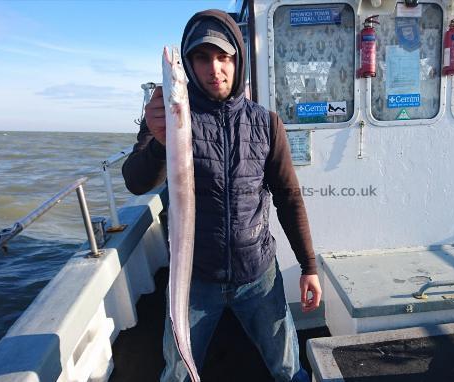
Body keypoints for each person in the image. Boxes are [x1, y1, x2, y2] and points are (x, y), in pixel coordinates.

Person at [121, 9, 321, 382]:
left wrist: (308, 266)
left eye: (223, 56)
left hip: (258, 274)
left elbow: (289, 198)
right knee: (177, 372)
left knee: (289, 367)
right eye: (202, 57)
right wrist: (157, 142)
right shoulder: (167, 116)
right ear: (190, 65)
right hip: (195, 279)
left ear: (237, 59)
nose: (214, 68)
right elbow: (135, 181)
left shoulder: (266, 123)